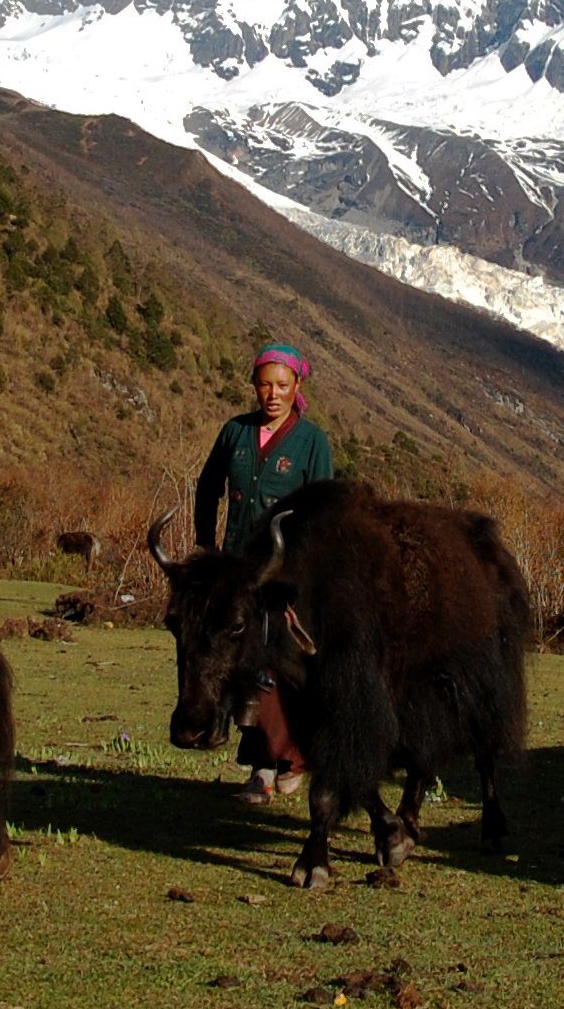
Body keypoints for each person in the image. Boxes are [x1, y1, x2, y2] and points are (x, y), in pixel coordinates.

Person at [195, 342, 335, 802]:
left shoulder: (312, 441)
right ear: (254, 386)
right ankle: (269, 765)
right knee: (243, 667)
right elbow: (208, 486)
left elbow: (323, 509)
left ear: (297, 386)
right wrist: (205, 546)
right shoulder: (234, 432)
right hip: (238, 574)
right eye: (264, 385)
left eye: (281, 385)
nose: (272, 394)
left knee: (281, 669)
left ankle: (281, 762)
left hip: (285, 577)